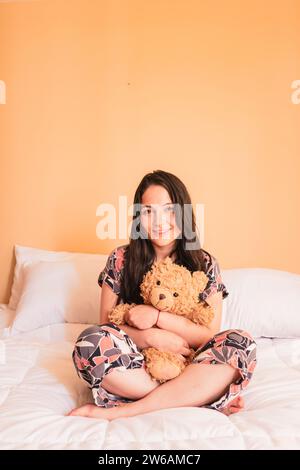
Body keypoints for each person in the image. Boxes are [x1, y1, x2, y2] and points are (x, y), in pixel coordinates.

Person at [68, 170, 257, 420]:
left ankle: (126, 410)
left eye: (169, 210)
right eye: (148, 212)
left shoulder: (205, 263)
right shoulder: (120, 259)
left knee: (241, 343)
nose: (159, 221)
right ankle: (197, 397)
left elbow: (207, 336)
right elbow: (106, 325)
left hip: (188, 363)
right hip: (138, 366)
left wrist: (159, 318)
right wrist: (151, 338)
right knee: (88, 343)